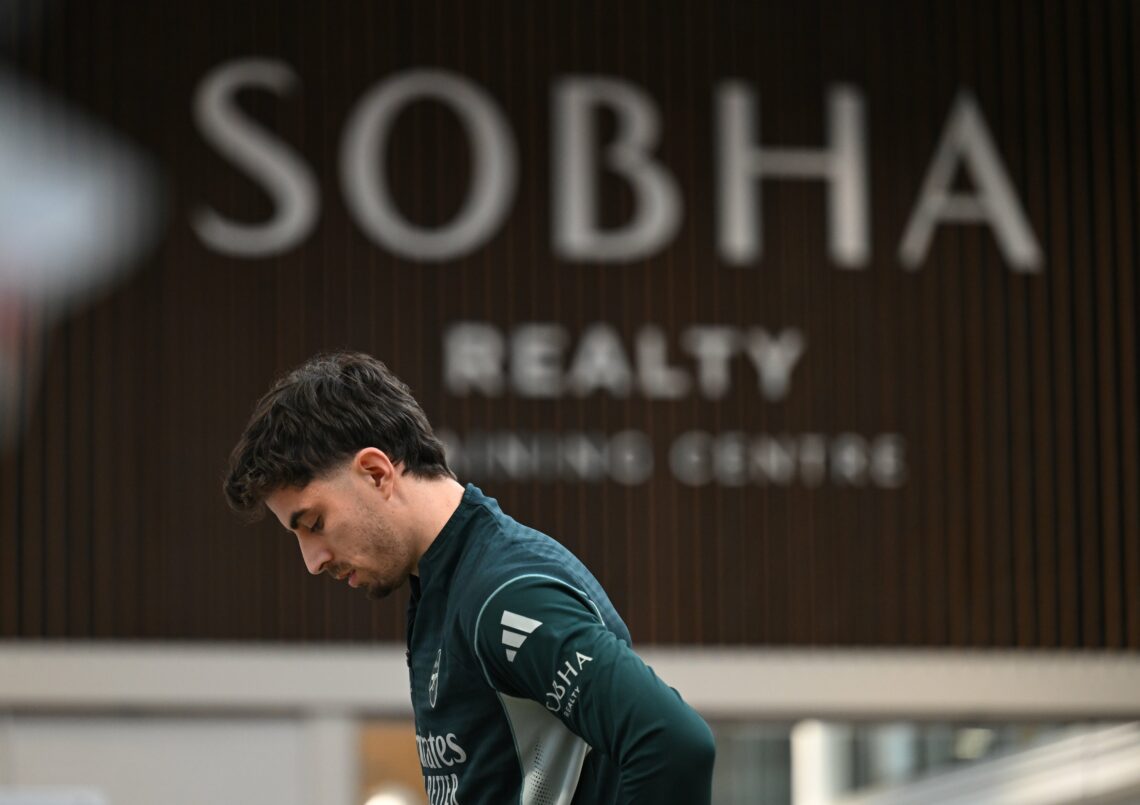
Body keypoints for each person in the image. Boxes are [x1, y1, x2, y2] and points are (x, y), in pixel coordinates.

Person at [223, 350, 716, 805]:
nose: (312, 560)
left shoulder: (503, 594)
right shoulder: (444, 583)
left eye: (313, 523)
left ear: (376, 473)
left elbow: (673, 743)